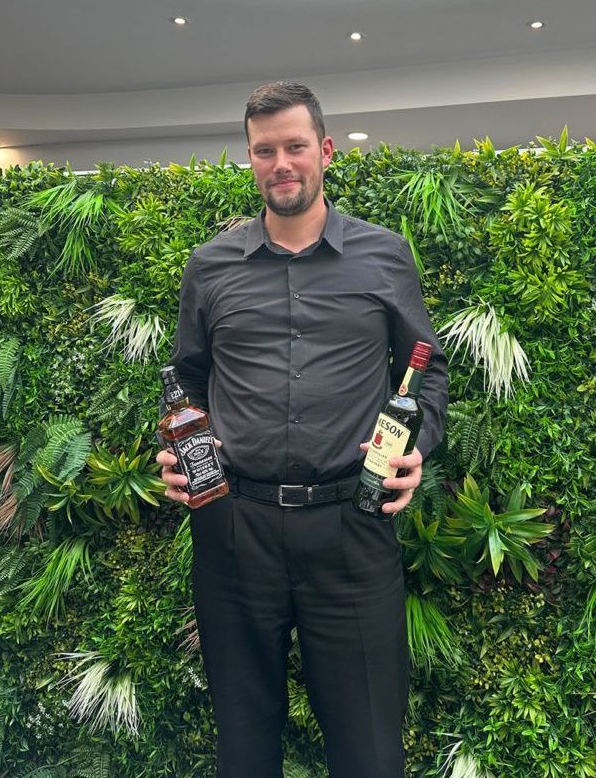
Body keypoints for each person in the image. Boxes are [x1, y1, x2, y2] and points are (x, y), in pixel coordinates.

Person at [157, 81, 448, 778]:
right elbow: (184, 379)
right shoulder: (211, 267)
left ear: (324, 151)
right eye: (264, 150)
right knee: (245, 747)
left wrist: (416, 446)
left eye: (293, 146)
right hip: (233, 531)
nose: (280, 162)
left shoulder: (383, 256)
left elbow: (427, 372)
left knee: (371, 750)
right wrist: (176, 442)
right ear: (250, 160)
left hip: (351, 530)